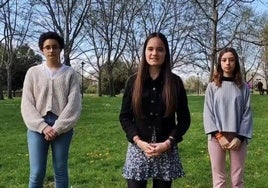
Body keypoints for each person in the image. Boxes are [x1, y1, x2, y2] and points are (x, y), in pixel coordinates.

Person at [119, 32, 191, 188]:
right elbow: (125, 117)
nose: (154, 53)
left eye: (160, 49)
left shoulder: (175, 82)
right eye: (150, 49)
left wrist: (168, 143)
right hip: (138, 148)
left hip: (166, 148)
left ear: (166, 53)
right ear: (144, 52)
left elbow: (184, 119)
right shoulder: (133, 82)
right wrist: (138, 141)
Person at [21, 31, 82, 188]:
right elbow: (27, 103)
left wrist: (58, 127)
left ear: (60, 49)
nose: (51, 50)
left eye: (55, 47)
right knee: (36, 173)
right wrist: (42, 126)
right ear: (42, 49)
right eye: (47, 47)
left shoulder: (70, 73)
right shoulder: (32, 73)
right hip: (36, 127)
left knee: (60, 171)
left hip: (62, 127)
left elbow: (74, 104)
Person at [203, 47, 253, 188]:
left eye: (231, 60)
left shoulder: (243, 88)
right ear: (219, 63)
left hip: (238, 138)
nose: (227, 63)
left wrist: (240, 137)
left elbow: (247, 113)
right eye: (224, 60)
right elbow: (208, 113)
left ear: (236, 62)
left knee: (237, 180)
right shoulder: (212, 87)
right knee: (219, 180)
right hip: (216, 138)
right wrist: (218, 136)